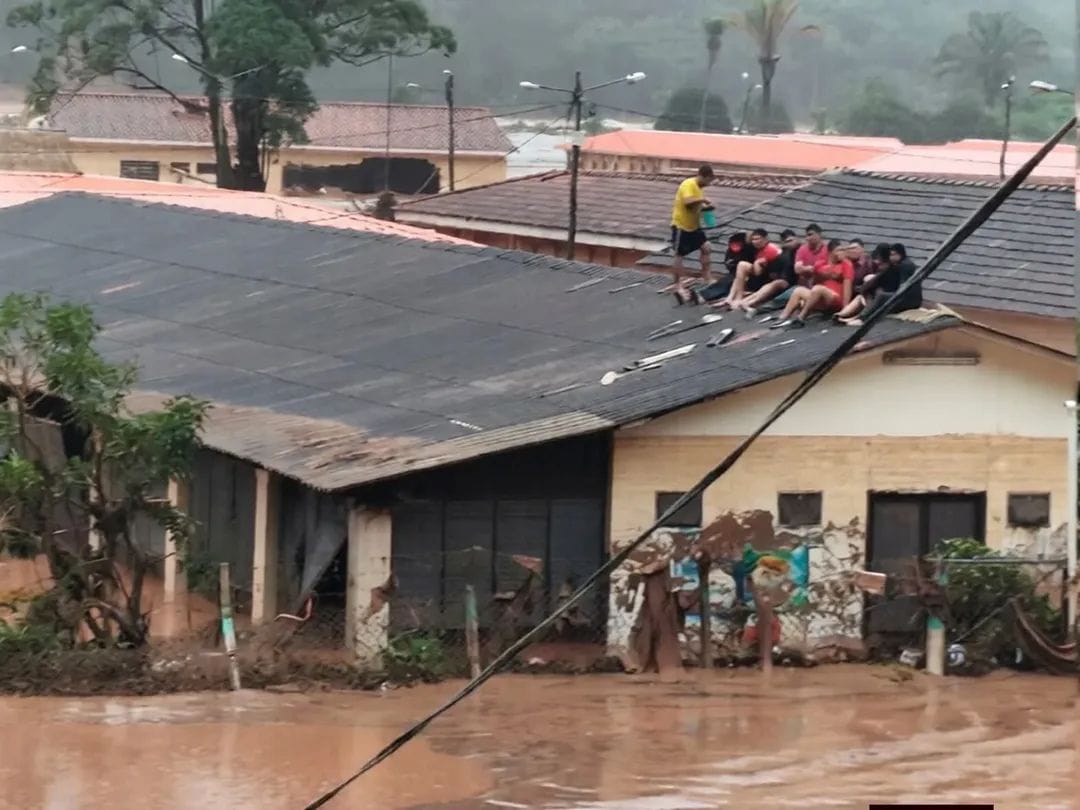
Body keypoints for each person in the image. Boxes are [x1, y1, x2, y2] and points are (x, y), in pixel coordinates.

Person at [773, 238, 853, 329]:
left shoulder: (846, 264)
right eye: (839, 250)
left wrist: (845, 310)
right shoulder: (820, 264)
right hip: (819, 297)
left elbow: (847, 285)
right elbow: (814, 280)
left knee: (818, 288)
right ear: (831, 252)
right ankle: (782, 317)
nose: (842, 253)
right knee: (799, 290)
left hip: (835, 298)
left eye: (842, 250)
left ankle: (801, 318)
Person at [841, 243, 922, 326]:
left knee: (881, 296)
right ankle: (854, 316)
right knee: (878, 295)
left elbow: (903, 288)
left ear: (900, 254)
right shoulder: (897, 264)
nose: (891, 257)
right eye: (890, 255)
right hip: (904, 297)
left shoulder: (905, 265)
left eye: (894, 254)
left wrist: (887, 296)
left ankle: (863, 319)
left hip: (910, 301)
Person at [666, 165, 715, 292]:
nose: (708, 185)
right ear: (703, 176)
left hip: (694, 226)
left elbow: (695, 208)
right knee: (679, 255)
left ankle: (707, 276)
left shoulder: (699, 189)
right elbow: (688, 201)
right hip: (682, 226)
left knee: (706, 247)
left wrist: (706, 209)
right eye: (708, 181)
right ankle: (678, 284)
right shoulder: (688, 184)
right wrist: (703, 199)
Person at [738, 229, 800, 317]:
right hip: (782, 280)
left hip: (793, 283)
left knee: (777, 283)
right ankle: (746, 301)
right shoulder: (784, 253)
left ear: (797, 239)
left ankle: (751, 302)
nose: (790, 243)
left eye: (791, 240)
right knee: (771, 285)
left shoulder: (801, 250)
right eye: (787, 242)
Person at [716, 228, 781, 310]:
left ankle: (738, 298)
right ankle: (730, 298)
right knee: (739, 271)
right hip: (761, 276)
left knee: (742, 265)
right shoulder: (759, 249)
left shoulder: (770, 249)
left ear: (765, 239)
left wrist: (757, 263)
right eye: (753, 239)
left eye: (757, 239)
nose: (754, 242)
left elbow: (758, 272)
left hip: (769, 279)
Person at [682, 231, 747, 305]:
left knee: (727, 285)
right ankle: (700, 294)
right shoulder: (731, 250)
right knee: (723, 283)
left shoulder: (749, 249)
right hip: (735, 273)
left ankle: (703, 296)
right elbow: (728, 263)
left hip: (745, 276)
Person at [834, 242, 890, 322]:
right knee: (860, 298)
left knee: (867, 298)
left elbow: (873, 281)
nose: (851, 251)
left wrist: (863, 287)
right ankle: (842, 314)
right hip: (864, 292)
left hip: (878, 294)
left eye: (854, 248)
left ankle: (857, 318)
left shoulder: (872, 264)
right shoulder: (848, 262)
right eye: (849, 249)